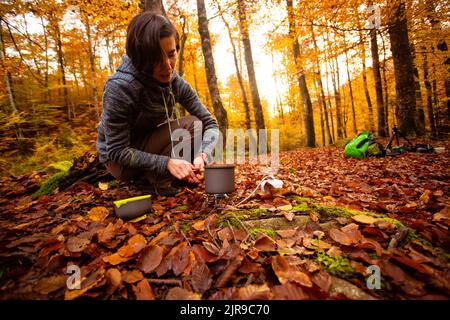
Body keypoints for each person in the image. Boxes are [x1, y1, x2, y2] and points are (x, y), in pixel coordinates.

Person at [96, 12, 219, 196]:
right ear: (140, 58)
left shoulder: (175, 82)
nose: (168, 67)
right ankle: (151, 180)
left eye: (171, 54)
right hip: (121, 163)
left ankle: (156, 178)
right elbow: (117, 151)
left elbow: (210, 124)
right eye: (157, 59)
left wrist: (203, 155)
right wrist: (167, 163)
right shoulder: (120, 88)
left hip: (150, 143)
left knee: (195, 124)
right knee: (191, 125)